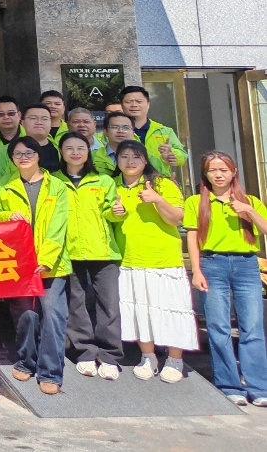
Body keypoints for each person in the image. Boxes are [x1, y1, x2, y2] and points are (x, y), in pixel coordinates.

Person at [185, 151, 267, 406]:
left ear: (233, 172)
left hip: (246, 265)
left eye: (223, 170)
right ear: (205, 174)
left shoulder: (250, 201)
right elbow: (192, 238)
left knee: (252, 327)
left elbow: (265, 228)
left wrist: (248, 211)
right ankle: (229, 385)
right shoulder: (196, 202)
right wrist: (196, 270)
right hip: (212, 264)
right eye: (212, 170)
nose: (218, 175)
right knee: (218, 327)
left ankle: (258, 387)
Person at [113, 139, 197, 383]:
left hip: (163, 260)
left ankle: (175, 359)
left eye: (136, 157)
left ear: (145, 160)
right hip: (129, 259)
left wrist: (157, 200)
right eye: (124, 156)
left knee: (171, 309)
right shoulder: (112, 185)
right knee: (140, 309)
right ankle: (148, 356)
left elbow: (178, 218)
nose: (130, 162)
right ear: (116, 160)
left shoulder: (162, 183)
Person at [0, 136, 70, 396]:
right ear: (11, 159)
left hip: (51, 263)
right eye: (17, 154)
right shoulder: (3, 185)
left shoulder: (56, 186)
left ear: (38, 156)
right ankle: (26, 361)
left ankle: (50, 372)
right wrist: (7, 215)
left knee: (53, 315)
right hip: (18, 262)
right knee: (25, 315)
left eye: (29, 153)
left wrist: (46, 259)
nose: (23, 157)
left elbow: (59, 226)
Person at [59, 132, 124, 380]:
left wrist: (118, 211)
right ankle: (85, 352)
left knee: (109, 305)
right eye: (69, 148)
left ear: (88, 152)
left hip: (102, 251)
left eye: (81, 148)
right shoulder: (54, 181)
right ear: (61, 152)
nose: (75, 152)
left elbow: (111, 211)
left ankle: (110, 355)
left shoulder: (103, 180)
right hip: (69, 251)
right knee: (76, 304)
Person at [119, 86, 187, 178]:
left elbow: (182, 156)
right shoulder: (115, 132)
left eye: (139, 101)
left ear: (148, 105)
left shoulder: (164, 131)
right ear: (122, 106)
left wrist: (172, 155)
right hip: (127, 181)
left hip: (160, 181)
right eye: (128, 102)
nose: (134, 105)